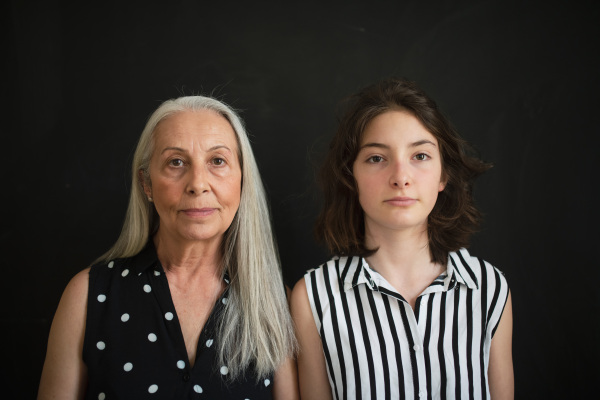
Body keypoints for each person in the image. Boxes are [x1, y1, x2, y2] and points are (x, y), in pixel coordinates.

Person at [38, 96, 298, 399]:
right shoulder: (87, 296)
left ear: (242, 180)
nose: (198, 183)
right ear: (146, 184)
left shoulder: (275, 303)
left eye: (217, 161)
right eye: (176, 162)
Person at [291, 78, 513, 400]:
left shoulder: (489, 288)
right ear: (350, 175)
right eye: (377, 158)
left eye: (420, 156)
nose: (401, 178)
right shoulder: (313, 300)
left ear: (444, 175)